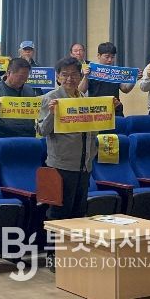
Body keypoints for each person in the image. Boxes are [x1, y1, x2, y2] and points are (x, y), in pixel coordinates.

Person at [37, 57, 107, 227]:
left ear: (80, 76)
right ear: (58, 77)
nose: (70, 79)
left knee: (79, 214)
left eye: (74, 74)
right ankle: (54, 246)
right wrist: (52, 114)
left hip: (84, 166)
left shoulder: (85, 99)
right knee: (58, 214)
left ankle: (73, 245)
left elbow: (92, 129)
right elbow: (42, 131)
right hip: (61, 166)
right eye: (65, 74)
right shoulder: (50, 98)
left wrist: (108, 109)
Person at [0, 58, 37, 138]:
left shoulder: (29, 90)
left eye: (26, 77)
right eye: (21, 77)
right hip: (4, 138)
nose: (24, 80)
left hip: (28, 137)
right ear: (9, 73)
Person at [78, 42, 134, 117]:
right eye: (107, 57)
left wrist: (134, 80)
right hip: (97, 111)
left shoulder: (115, 72)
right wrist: (86, 77)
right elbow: (80, 92)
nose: (110, 60)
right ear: (99, 55)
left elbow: (125, 89)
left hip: (114, 110)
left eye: (112, 57)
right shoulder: (91, 70)